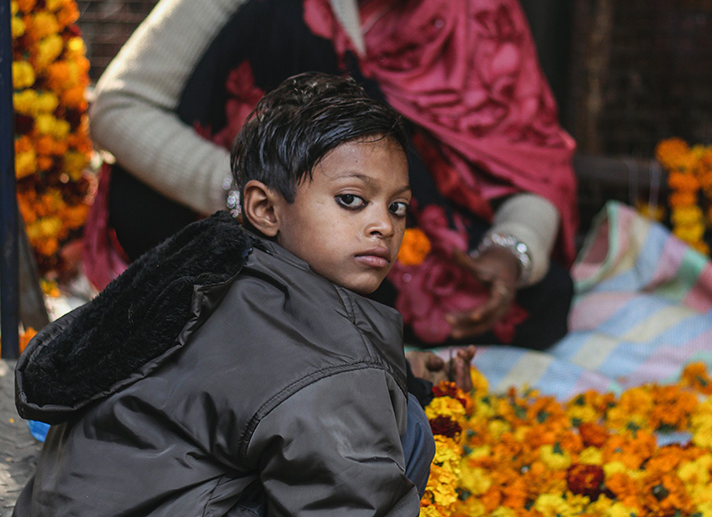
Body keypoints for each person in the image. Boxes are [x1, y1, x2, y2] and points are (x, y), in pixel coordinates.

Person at [84, 0, 578, 348]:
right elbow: (118, 108)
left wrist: (512, 249)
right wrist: (257, 201)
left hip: (388, 228)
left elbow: (526, 156)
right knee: (293, 16)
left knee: (542, 299)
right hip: (237, 216)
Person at [15, 73, 474, 516]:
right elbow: (323, 413)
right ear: (265, 208)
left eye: (397, 206)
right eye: (352, 200)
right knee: (410, 431)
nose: (384, 226)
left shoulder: (208, 267)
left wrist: (401, 373)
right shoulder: (337, 372)